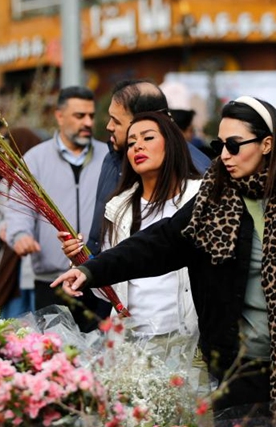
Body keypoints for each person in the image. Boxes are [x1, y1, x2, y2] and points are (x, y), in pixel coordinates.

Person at [53, 96, 276, 422]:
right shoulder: (216, 198)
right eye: (220, 144)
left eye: (234, 145)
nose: (224, 155)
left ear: (267, 144)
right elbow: (161, 242)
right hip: (238, 368)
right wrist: (92, 269)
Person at [62, 111, 202, 336]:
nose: (138, 147)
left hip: (187, 338)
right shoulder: (118, 207)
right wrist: (80, 262)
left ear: (172, 143)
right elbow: (111, 289)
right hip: (131, 342)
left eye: (147, 138)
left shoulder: (199, 196)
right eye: (131, 143)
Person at [4, 86, 106, 332]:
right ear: (59, 116)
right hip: (51, 280)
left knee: (101, 355)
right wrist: (21, 235)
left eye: (91, 116)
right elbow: (19, 206)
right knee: (54, 354)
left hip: (99, 276)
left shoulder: (108, 157)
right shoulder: (35, 159)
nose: (88, 122)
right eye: (79, 116)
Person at [86, 80, 211, 258]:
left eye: (116, 121)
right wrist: (87, 264)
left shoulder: (197, 173)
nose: (109, 127)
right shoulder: (113, 159)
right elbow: (100, 237)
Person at [0, 127, 43, 319]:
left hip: (37, 257)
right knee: (15, 315)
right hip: (13, 257)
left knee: (37, 313)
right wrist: (3, 229)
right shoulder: (8, 180)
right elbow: (2, 217)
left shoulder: (40, 177)